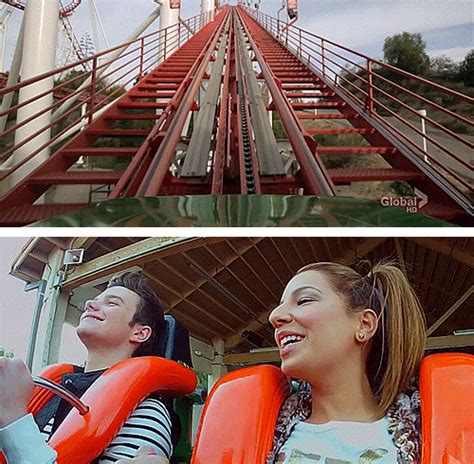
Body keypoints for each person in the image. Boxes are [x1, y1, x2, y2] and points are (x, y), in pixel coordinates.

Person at [0, 272, 173, 464]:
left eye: (112, 303)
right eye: (95, 300)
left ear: (140, 333)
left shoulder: (147, 409)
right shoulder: (50, 394)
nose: (90, 303)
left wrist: (13, 417)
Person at [267, 261, 426, 464]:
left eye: (304, 300)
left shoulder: (425, 434)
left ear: (364, 324)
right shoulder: (260, 430)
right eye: (280, 305)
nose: (274, 316)